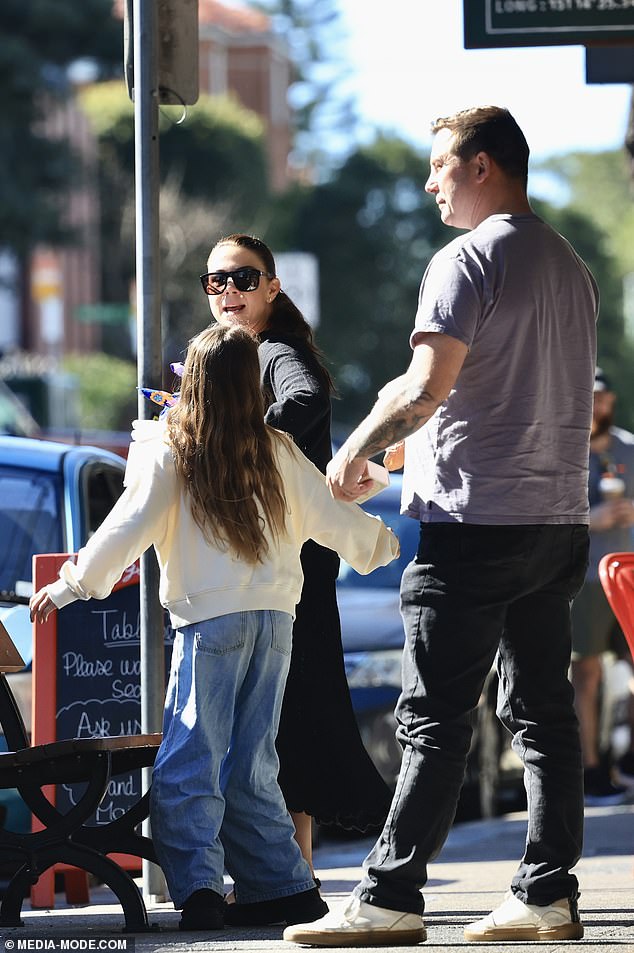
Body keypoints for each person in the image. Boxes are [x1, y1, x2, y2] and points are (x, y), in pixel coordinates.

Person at [283, 105, 598, 947]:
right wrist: (405, 461)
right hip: (555, 518)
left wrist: (351, 450)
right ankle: (548, 893)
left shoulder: (465, 259)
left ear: (484, 165)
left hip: (477, 525)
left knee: (433, 718)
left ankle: (388, 896)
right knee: (544, 715)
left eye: (441, 167)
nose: (430, 184)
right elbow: (504, 395)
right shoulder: (569, 266)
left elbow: (424, 388)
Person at [29, 323, 399, 932]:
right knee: (253, 762)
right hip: (278, 618)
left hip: (209, 619)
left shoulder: (174, 447)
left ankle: (200, 887)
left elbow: (127, 526)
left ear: (192, 382)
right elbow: (334, 517)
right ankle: (283, 886)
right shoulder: (275, 447)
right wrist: (383, 545)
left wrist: (71, 584)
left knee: (190, 758)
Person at [200, 234, 393, 879]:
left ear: (272, 288)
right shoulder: (232, 356)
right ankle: (291, 870)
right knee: (284, 712)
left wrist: (237, 439)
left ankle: (286, 871)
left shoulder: (275, 351)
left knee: (284, 711)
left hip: (293, 562)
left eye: (243, 279)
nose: (227, 292)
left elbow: (306, 400)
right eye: (215, 281)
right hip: (268, 560)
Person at [571, 367, 634, 805]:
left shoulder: (629, 447)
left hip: (628, 574)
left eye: (603, 397)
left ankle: (629, 758)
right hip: (587, 578)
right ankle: (590, 770)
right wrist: (592, 519)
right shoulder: (565, 450)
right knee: (586, 674)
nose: (598, 405)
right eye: (589, 397)